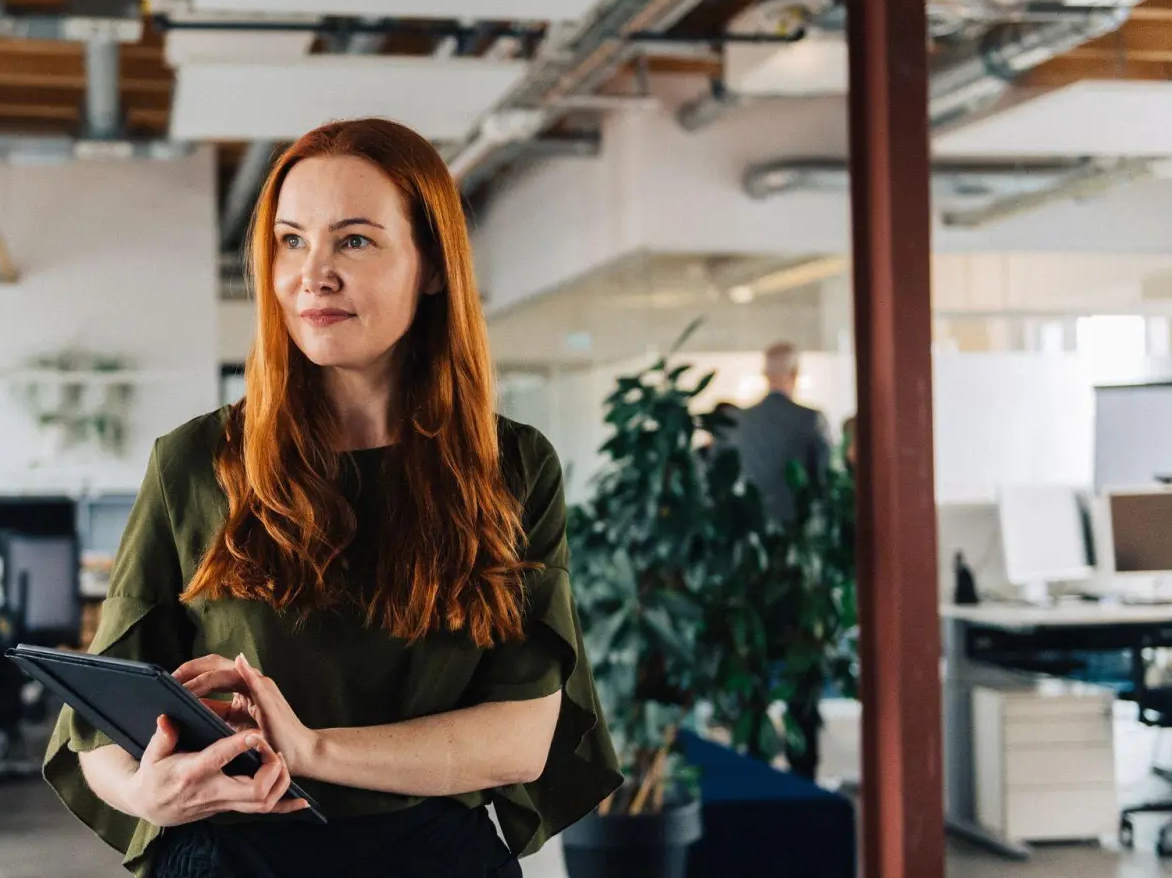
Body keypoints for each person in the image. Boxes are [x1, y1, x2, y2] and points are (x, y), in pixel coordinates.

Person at [42, 118, 621, 878]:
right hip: (233, 858)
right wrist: (149, 792)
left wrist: (311, 748)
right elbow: (97, 728)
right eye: (290, 241)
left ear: (433, 266)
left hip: (435, 861)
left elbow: (518, 738)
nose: (312, 274)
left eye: (354, 240)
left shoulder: (511, 467)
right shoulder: (195, 463)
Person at [726, 342, 832, 524]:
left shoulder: (738, 421)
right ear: (795, 373)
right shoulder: (810, 419)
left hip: (748, 528)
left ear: (765, 375)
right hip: (797, 528)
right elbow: (824, 479)